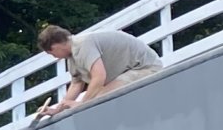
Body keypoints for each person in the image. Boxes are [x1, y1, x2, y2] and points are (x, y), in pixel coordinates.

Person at [31, 22, 162, 119]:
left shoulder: (83, 45)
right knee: (89, 97)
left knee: (97, 97)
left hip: (145, 68)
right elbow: (76, 85)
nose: (54, 57)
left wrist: (81, 104)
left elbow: (99, 77)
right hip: (127, 71)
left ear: (56, 45)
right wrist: (57, 110)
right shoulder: (72, 57)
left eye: (51, 52)